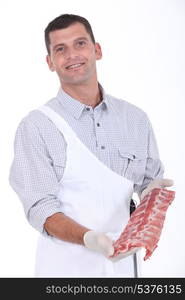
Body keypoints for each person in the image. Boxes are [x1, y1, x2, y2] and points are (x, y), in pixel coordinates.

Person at [9, 14, 173, 277]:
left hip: (123, 268)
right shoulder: (38, 126)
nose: (72, 55)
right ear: (50, 62)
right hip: (64, 272)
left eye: (80, 44)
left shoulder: (135, 119)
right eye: (60, 49)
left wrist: (151, 194)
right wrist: (89, 238)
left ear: (97, 50)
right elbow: (40, 208)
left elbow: (147, 187)